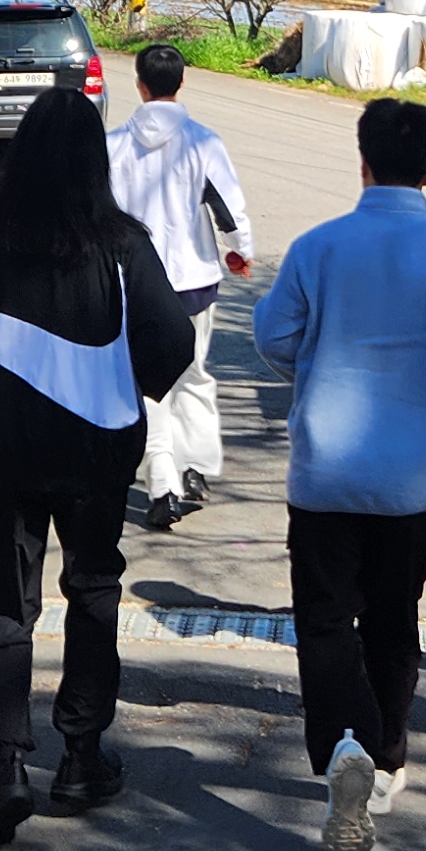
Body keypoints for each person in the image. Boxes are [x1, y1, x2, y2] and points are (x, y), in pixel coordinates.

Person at [0, 87, 196, 849]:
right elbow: (173, 347)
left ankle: (6, 768)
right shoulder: (122, 242)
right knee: (93, 588)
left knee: (2, 606)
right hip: (96, 447)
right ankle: (79, 756)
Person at [251, 94, 426, 851]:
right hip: (413, 476)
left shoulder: (317, 247)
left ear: (361, 161)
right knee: (394, 619)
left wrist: (311, 369)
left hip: (325, 468)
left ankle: (340, 748)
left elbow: (274, 336)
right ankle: (388, 756)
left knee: (325, 622)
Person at [104, 40, 258, 530]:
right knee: (193, 374)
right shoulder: (203, 142)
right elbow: (227, 210)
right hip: (192, 281)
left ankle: (160, 480)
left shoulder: (113, 146)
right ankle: (193, 470)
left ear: (140, 84)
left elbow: (98, 217)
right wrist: (239, 251)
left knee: (148, 384)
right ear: (182, 82)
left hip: (134, 286)